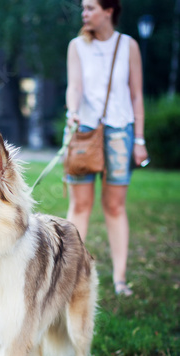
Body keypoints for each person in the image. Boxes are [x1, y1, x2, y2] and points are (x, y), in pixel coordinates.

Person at [64, 0, 149, 296]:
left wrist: (139, 139)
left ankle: (120, 279)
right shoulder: (77, 46)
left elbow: (137, 95)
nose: (84, 13)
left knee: (114, 206)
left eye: (90, 8)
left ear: (109, 10)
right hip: (84, 130)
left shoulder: (128, 46)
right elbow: (74, 86)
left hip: (120, 131)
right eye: (83, 8)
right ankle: (70, 276)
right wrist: (72, 110)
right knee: (80, 205)